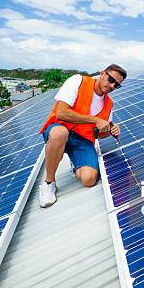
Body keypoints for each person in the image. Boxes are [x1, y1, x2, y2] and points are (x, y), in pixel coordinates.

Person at [38, 64, 127, 207]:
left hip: (82, 140)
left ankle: (75, 162)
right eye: (111, 79)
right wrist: (95, 120)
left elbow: (98, 134)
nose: (111, 86)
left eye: (116, 85)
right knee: (60, 134)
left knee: (89, 179)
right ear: (102, 73)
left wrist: (110, 131)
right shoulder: (78, 81)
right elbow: (61, 112)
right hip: (59, 129)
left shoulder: (109, 104)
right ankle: (49, 183)